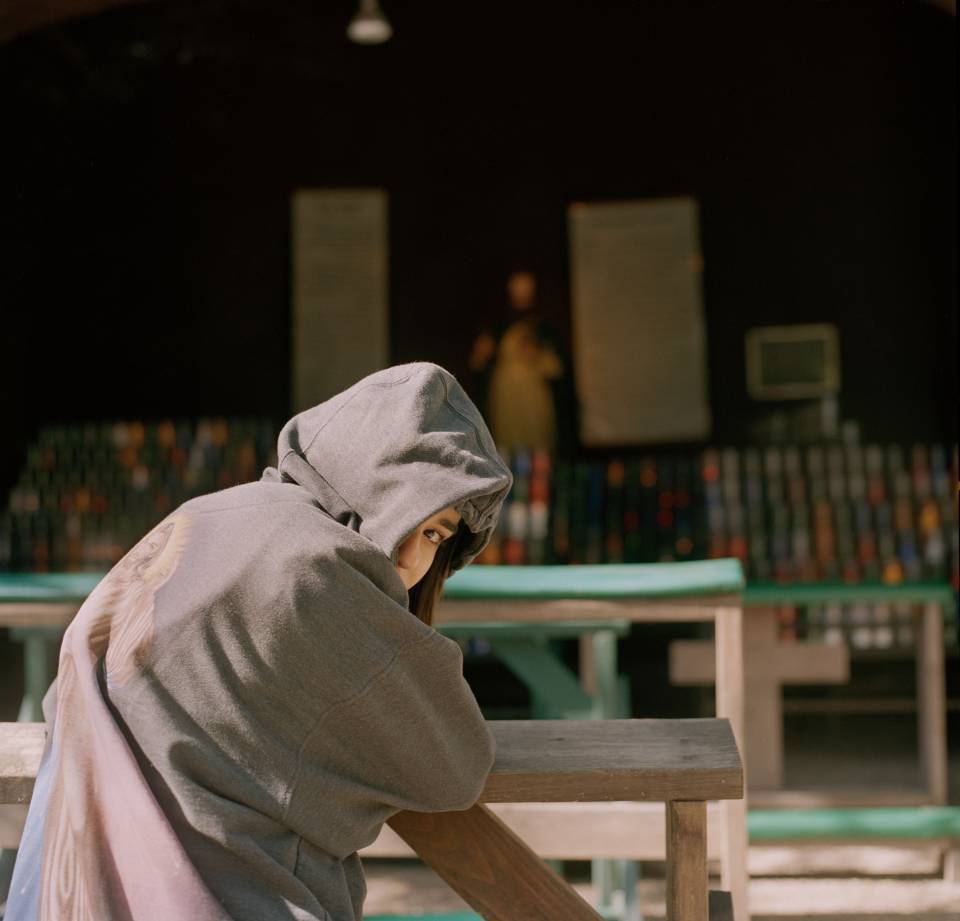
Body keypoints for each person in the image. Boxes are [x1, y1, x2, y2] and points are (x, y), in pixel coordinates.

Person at [6, 362, 513, 921]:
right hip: (221, 896)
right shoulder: (318, 568)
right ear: (371, 481)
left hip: (71, 882)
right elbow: (453, 765)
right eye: (412, 516)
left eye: (438, 535)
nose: (415, 560)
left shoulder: (210, 513)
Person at [469, 269, 577, 456]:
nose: (521, 293)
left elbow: (557, 367)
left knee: (537, 439)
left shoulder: (543, 326)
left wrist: (537, 355)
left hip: (532, 392)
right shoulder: (498, 324)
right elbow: (478, 361)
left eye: (526, 288)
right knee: (508, 439)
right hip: (507, 392)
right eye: (517, 288)